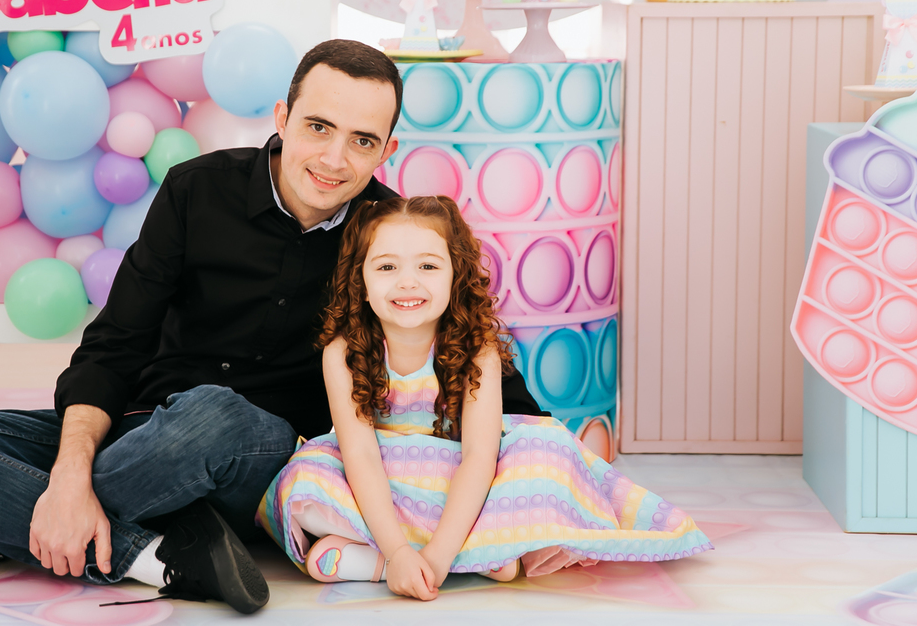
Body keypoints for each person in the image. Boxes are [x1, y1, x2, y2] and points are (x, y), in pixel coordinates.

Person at [0, 40, 547, 615]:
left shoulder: (392, 239)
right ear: (282, 117)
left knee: (213, 415)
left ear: (386, 150)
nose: (335, 158)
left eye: (362, 141)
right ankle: (153, 552)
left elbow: (469, 356)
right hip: (141, 430)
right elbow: (115, 344)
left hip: (259, 457)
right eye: (318, 127)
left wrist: (557, 471)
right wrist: (70, 472)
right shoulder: (196, 189)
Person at [257, 196, 712, 600]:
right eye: (387, 267)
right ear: (360, 278)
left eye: (428, 266)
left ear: (456, 275)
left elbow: (479, 456)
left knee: (547, 452)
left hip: (457, 476)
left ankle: (402, 560)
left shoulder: (477, 349)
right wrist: (396, 551)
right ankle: (454, 556)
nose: (407, 282)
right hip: (381, 480)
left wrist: (437, 556)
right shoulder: (343, 352)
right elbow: (359, 455)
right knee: (304, 481)